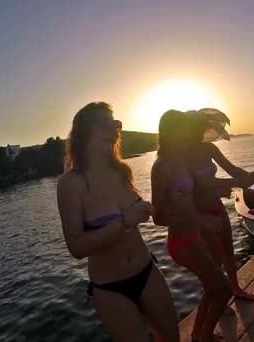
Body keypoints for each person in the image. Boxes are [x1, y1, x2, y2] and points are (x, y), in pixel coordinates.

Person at [57, 102, 179, 342]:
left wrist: (147, 210)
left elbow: (137, 216)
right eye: (105, 124)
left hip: (147, 270)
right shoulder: (71, 184)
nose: (114, 129)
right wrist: (124, 221)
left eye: (116, 124)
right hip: (110, 287)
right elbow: (77, 248)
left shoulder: (122, 171)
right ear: (85, 133)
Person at [151, 110, 231, 342]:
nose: (188, 134)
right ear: (170, 132)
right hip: (182, 242)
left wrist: (223, 188)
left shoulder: (180, 161)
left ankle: (198, 335)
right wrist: (201, 220)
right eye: (183, 129)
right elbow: (158, 217)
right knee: (223, 289)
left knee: (212, 287)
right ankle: (204, 337)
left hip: (196, 236)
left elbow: (192, 195)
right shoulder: (162, 166)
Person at [185, 109, 254, 301]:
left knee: (228, 249)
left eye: (201, 128)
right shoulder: (181, 156)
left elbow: (232, 169)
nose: (199, 132)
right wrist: (236, 182)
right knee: (213, 260)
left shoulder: (209, 149)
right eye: (195, 128)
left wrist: (249, 176)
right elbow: (202, 183)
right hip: (199, 213)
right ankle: (216, 299)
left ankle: (235, 288)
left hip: (216, 205)